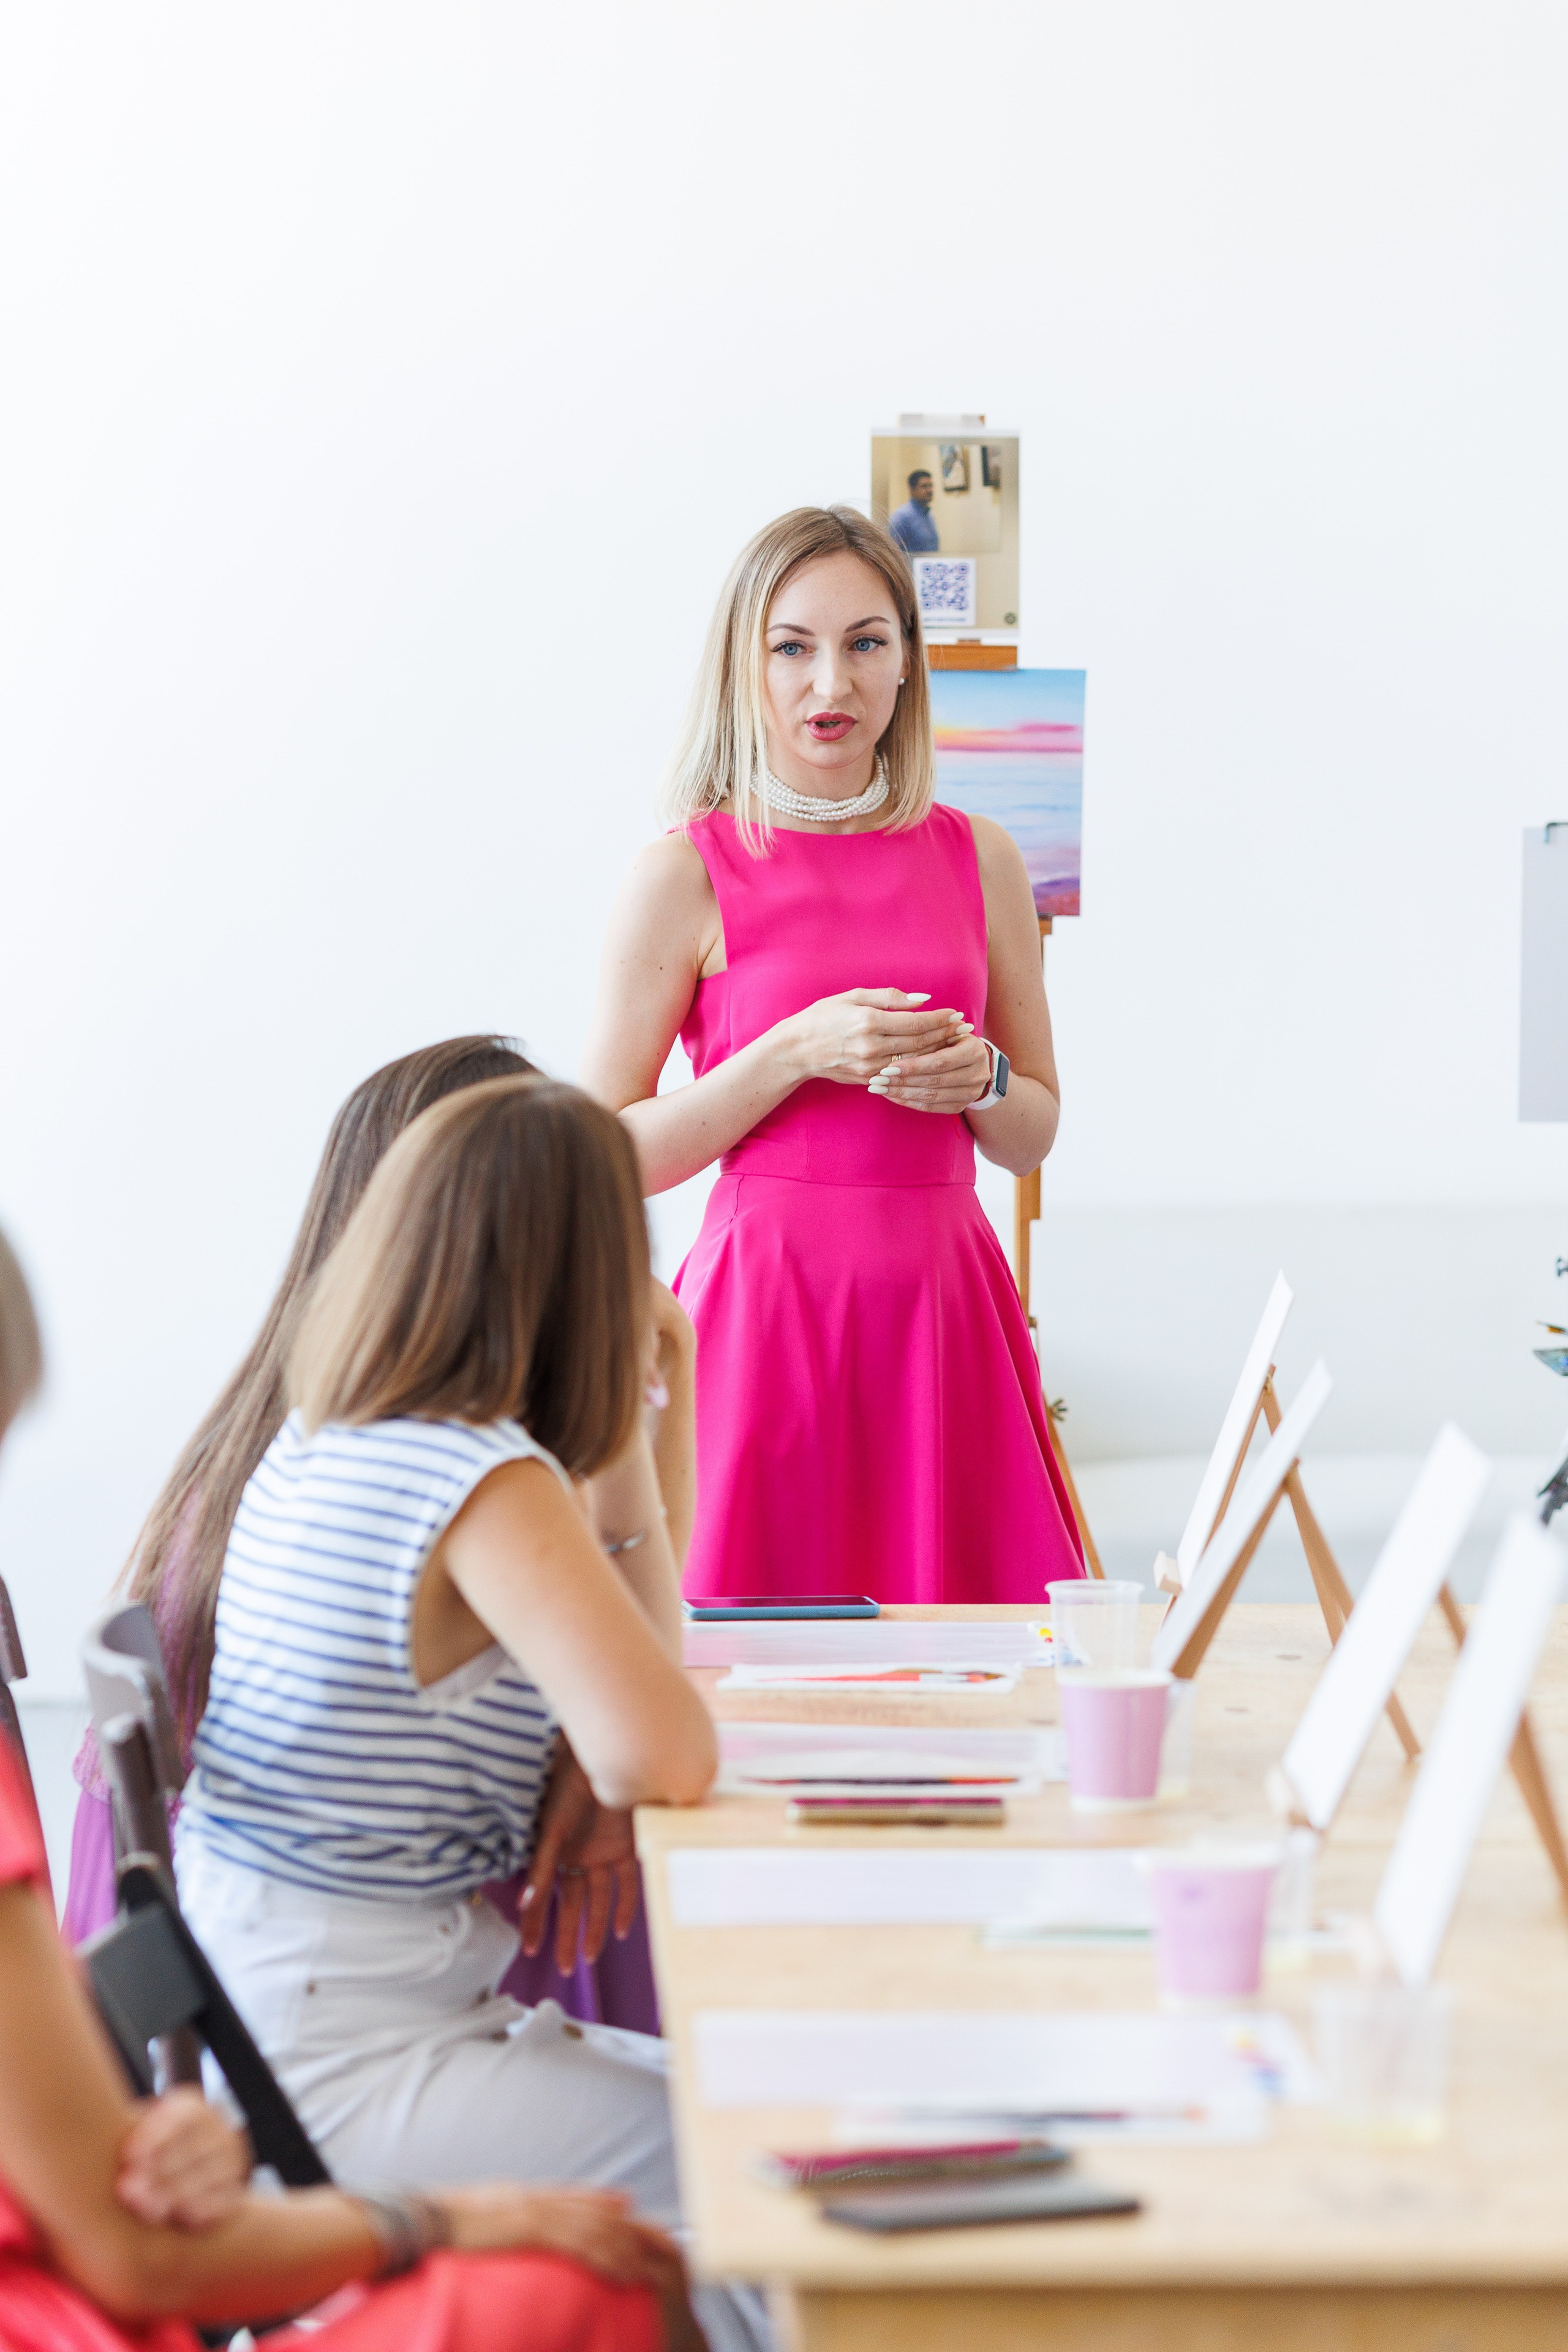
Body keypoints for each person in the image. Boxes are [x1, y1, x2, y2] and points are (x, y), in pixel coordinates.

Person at [0, 1223, 701, 2352]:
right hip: (123, 2279)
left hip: (279, 2083)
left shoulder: (321, 1453)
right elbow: (133, 2257)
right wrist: (438, 2219)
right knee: (616, 2262)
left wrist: (154, 2131)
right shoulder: (467, 1476)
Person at [170, 1079, 767, 2352]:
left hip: (285, 2022)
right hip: (348, 2064)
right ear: (594, 1277)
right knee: (771, 2173)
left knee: (761, 2120)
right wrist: (637, 1419)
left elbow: (631, 1715)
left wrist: (613, 1432)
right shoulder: (480, 1477)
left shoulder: (335, 1436)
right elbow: (666, 1746)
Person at [63, 1036, 672, 2039]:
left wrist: (661, 1394)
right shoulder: (462, 1475)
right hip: (364, 1986)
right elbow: (653, 1695)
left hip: (208, 1981)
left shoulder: (280, 1441)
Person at [581, 505, 1085, 1604]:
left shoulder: (983, 857)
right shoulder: (684, 872)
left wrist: (986, 1081)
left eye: (865, 643)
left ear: (908, 662)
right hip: (766, 1314)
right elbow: (602, 1154)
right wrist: (790, 1054)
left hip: (942, 1308)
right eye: (793, 648)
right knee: (749, 1671)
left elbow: (1032, 1131)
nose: (832, 684)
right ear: (744, 666)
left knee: (981, 1676)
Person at [886, 468, 938, 554]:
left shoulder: (929, 515)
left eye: (931, 486)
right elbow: (894, 553)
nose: (929, 490)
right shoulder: (901, 517)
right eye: (924, 486)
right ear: (911, 489)